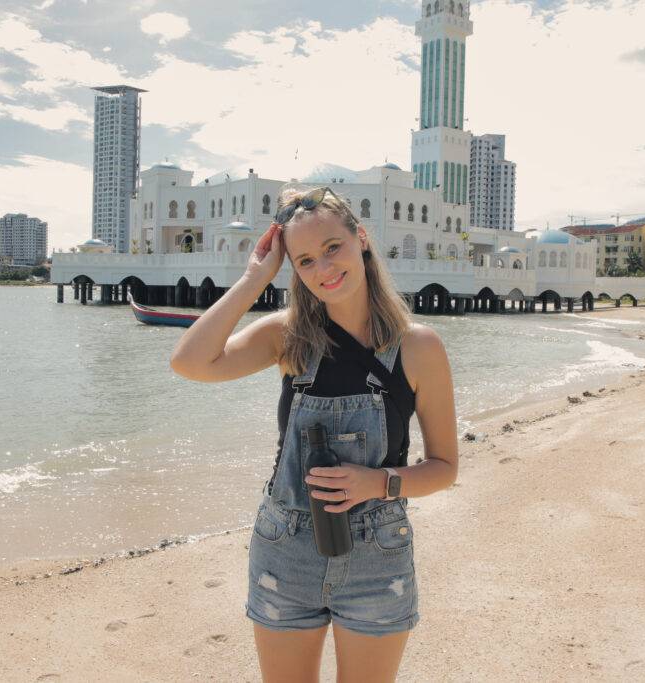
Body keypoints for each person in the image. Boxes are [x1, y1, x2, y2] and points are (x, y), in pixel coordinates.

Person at [170, 185, 458, 682]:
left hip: (378, 553)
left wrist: (375, 483)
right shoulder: (287, 338)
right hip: (285, 548)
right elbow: (190, 363)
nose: (323, 269)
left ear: (361, 238)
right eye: (304, 261)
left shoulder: (418, 347)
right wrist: (254, 277)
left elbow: (445, 469)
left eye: (332, 249)